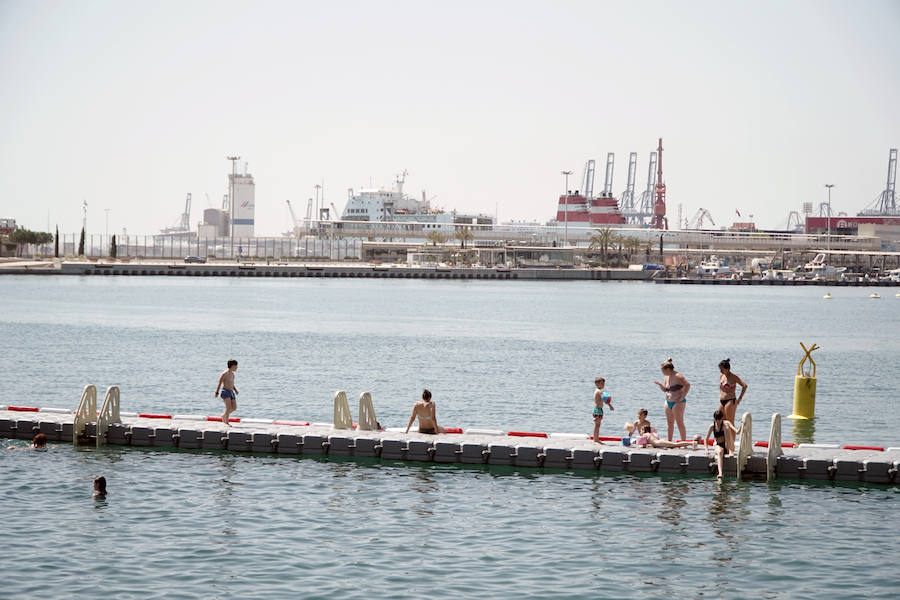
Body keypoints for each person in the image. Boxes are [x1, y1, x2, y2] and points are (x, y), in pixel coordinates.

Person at [653, 357, 691, 441]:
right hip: (668, 401)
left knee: (679, 423)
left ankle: (683, 442)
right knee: (670, 423)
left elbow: (688, 385)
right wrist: (660, 384)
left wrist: (682, 397)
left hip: (678, 402)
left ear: (667, 369)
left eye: (662, 370)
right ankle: (669, 441)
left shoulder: (678, 376)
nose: (662, 372)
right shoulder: (666, 376)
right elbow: (665, 390)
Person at [718, 358, 747, 454]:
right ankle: (724, 443)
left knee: (730, 423)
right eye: (720, 369)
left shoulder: (733, 377)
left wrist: (739, 399)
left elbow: (744, 385)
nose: (720, 371)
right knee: (721, 422)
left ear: (727, 368)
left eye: (722, 369)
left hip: (730, 400)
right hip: (721, 401)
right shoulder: (722, 376)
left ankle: (731, 445)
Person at [705, 409, 742, 478]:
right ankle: (720, 473)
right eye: (716, 419)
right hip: (719, 445)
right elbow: (706, 439)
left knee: (726, 427)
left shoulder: (726, 423)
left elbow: (737, 432)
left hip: (729, 445)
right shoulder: (712, 426)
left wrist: (741, 426)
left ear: (722, 418)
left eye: (719, 419)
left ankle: (730, 451)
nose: (717, 421)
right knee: (719, 452)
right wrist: (707, 450)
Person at [214, 359, 239, 426]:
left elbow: (231, 383)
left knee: (234, 407)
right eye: (236, 366)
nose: (237, 367)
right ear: (232, 366)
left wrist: (235, 390)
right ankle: (226, 422)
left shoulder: (232, 374)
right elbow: (220, 382)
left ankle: (224, 415)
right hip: (225, 391)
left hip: (231, 392)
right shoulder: (225, 373)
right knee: (228, 407)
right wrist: (217, 392)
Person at [635, 425, 701, 450]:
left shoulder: (645, 434)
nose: (640, 432)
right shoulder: (651, 434)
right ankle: (691, 443)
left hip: (660, 443)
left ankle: (692, 443)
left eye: (641, 430)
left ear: (644, 431)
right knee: (675, 445)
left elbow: (643, 445)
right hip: (660, 442)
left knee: (676, 444)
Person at [591, 377, 614, 444]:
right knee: (597, 425)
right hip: (597, 410)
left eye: (603, 383)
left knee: (598, 425)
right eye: (601, 383)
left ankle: (596, 439)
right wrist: (610, 406)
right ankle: (596, 440)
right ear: (596, 384)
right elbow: (605, 399)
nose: (603, 385)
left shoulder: (598, 391)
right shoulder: (599, 391)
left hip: (599, 409)